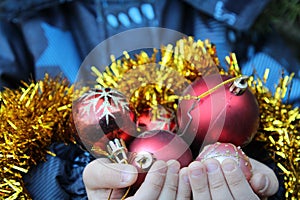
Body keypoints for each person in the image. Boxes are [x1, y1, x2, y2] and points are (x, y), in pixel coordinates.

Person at [1, 0, 298, 199]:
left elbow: (288, 104)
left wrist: (277, 179)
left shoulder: (239, 12)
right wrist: (79, 184)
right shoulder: (13, 28)